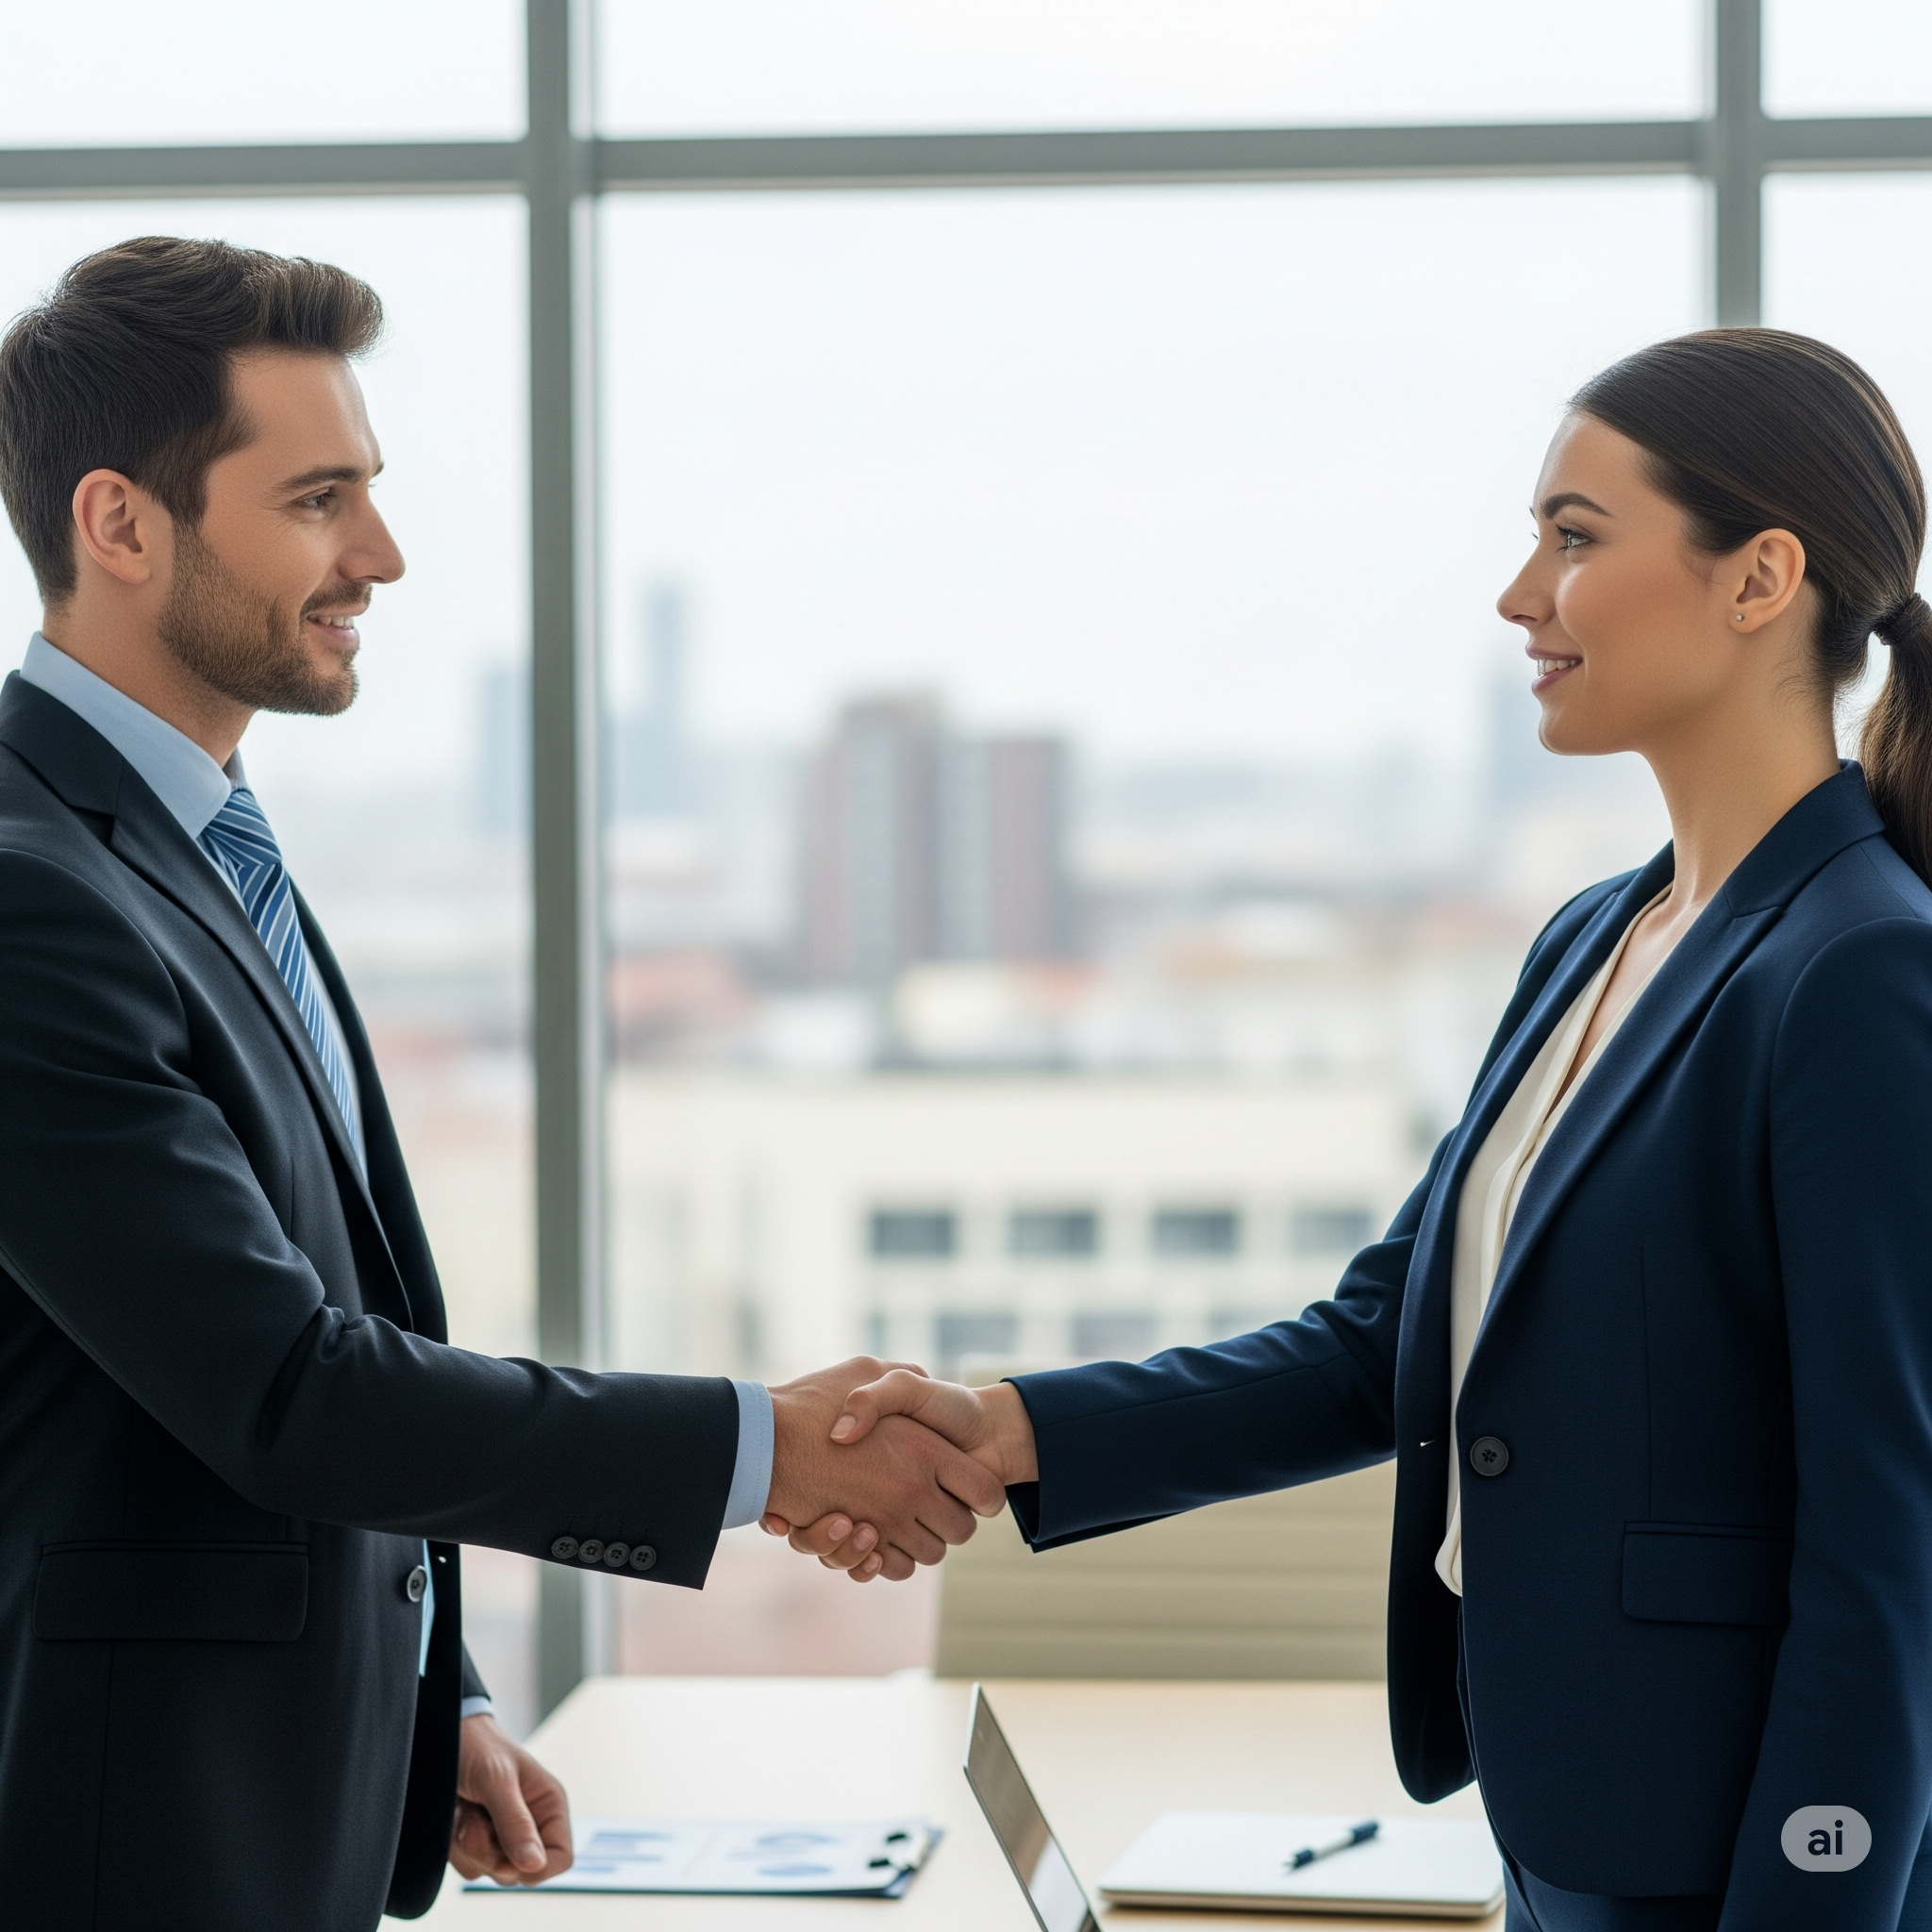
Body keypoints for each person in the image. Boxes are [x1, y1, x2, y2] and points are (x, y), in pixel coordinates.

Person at [777, 329, 1932, 1930]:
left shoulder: (1859, 964)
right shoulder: (1599, 937)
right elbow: (1385, 1339)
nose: (1523, 595)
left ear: (1759, 579)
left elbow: (1892, 1534)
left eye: (1576, 537)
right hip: (1561, 1819)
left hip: (1726, 1851)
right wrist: (1010, 1432)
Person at [0, 236, 1003, 1932]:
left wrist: (428, 1695)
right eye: (319, 498)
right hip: (131, 1840)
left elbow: (311, 1321)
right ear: (119, 525)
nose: (379, 556)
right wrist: (768, 1453)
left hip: (271, 1796)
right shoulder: (31, 893)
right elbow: (289, 1392)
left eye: (369, 493)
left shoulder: (193, 847)